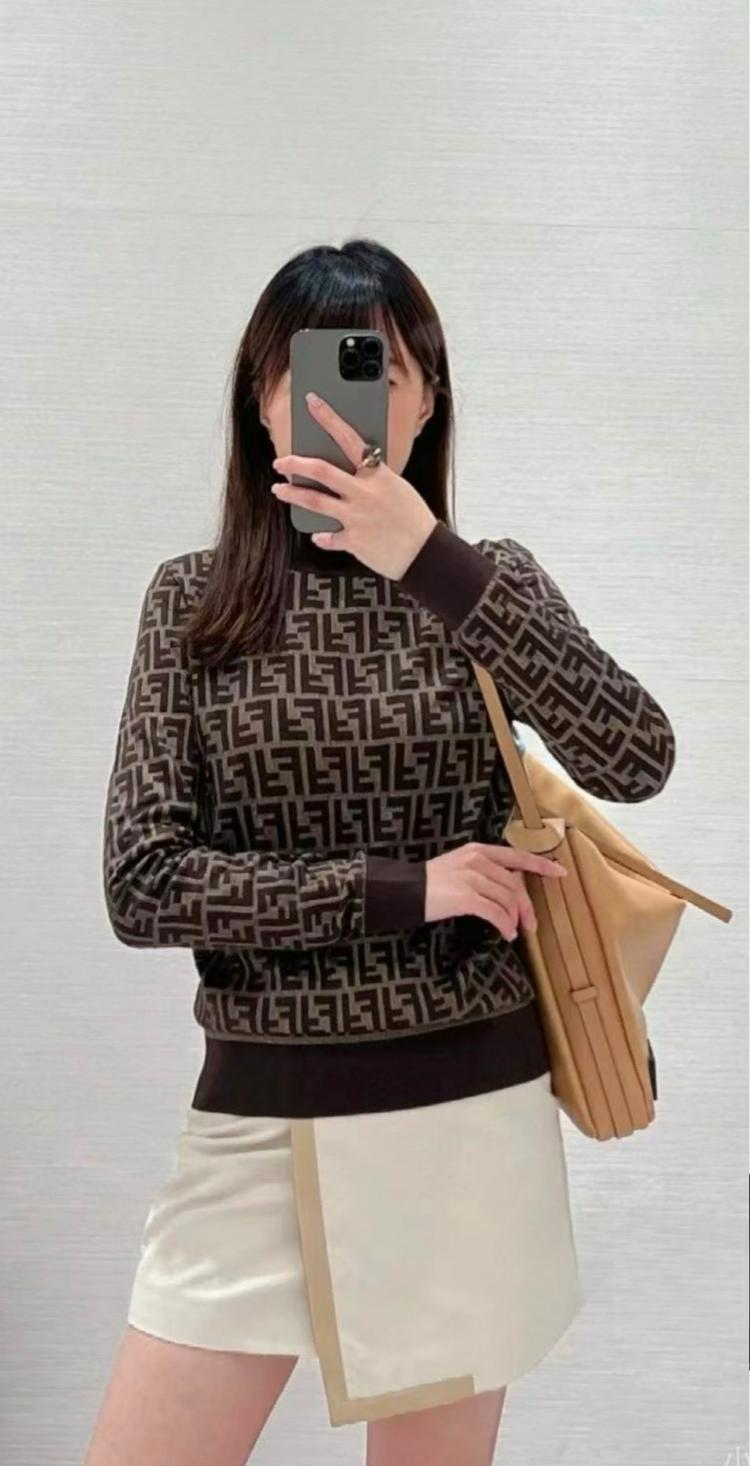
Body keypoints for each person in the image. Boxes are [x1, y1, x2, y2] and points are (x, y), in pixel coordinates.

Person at [84, 237, 676, 1466]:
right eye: (310, 369)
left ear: (425, 399)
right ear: (261, 400)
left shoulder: (483, 584)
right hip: (261, 1114)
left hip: (467, 1116)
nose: (347, 398)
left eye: (383, 367)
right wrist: (406, 890)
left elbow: (639, 753)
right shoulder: (193, 603)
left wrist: (434, 564)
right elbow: (143, 882)